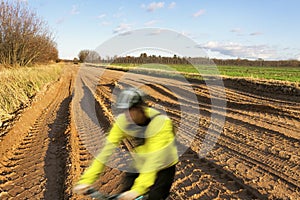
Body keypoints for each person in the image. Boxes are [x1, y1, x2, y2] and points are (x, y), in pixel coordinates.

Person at [73, 88, 178, 200]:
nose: (126, 115)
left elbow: (154, 161)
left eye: (129, 111)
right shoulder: (124, 121)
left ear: (140, 108)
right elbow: (105, 152)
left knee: (154, 197)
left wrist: (138, 190)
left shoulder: (161, 123)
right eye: (123, 111)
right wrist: (86, 180)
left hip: (163, 166)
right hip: (141, 160)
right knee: (125, 193)